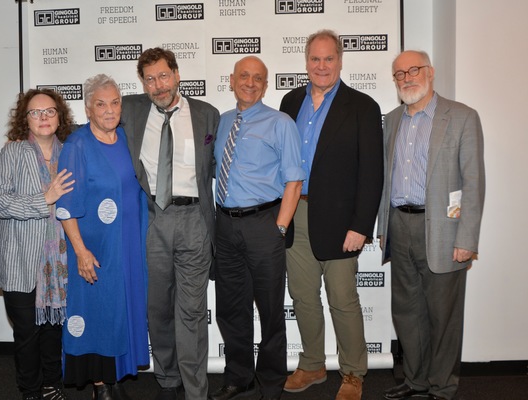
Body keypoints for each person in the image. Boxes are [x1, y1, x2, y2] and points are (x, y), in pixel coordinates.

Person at [279, 29, 383, 400]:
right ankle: (312, 365)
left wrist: (361, 226)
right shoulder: (290, 102)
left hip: (342, 223)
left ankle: (354, 373)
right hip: (296, 216)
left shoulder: (362, 106)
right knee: (303, 297)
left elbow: (372, 172)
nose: (321, 66)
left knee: (342, 298)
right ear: (306, 62)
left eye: (329, 59)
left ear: (340, 61)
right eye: (315, 59)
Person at [377, 50, 485, 400]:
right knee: (407, 312)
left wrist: (467, 237)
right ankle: (415, 381)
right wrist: (384, 228)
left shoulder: (462, 117)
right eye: (399, 74)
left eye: (414, 70)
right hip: (400, 226)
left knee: (443, 317)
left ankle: (442, 387)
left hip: (443, 230)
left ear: (430, 72)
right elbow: (384, 178)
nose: (407, 78)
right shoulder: (391, 120)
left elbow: (473, 181)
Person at [120, 48, 219, 400]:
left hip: (194, 220)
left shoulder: (207, 115)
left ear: (177, 75)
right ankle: (167, 379)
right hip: (152, 220)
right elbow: (95, 117)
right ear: (142, 83)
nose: (158, 85)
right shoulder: (130, 110)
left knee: (191, 311)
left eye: (163, 76)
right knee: (158, 307)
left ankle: (195, 392)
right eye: (149, 79)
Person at [208, 55, 305, 400]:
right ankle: (239, 377)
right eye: (244, 76)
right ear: (231, 80)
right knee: (231, 307)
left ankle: (271, 383)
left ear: (266, 85)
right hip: (225, 224)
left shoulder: (280, 123)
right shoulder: (220, 123)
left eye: (258, 78)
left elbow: (294, 181)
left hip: (265, 223)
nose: (250, 82)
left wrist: (278, 228)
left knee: (270, 309)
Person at [55, 74, 149, 400]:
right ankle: (99, 384)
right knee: (96, 310)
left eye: (114, 102)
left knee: (120, 309)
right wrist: (80, 251)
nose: (109, 110)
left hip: (128, 245)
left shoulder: (125, 138)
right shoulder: (76, 145)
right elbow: (65, 208)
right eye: (101, 104)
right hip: (95, 247)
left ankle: (115, 377)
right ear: (88, 108)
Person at [0, 88, 75, 400]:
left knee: (53, 329)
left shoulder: (70, 152)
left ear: (59, 115)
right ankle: (30, 391)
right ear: (24, 119)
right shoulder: (12, 152)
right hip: (20, 260)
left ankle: (53, 386)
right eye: (35, 112)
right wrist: (45, 199)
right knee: (27, 333)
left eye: (49, 111)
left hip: (60, 260)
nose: (43, 117)